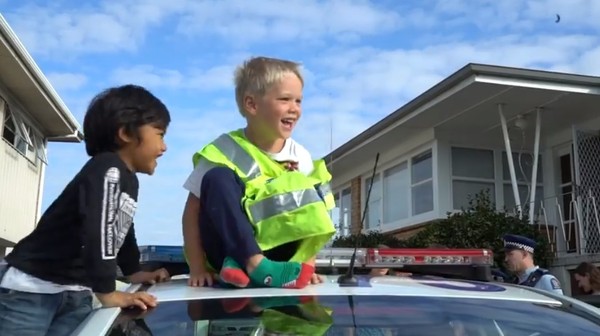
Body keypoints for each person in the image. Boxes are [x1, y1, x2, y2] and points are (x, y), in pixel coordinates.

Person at [0, 84, 172, 335]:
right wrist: (107, 291)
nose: (165, 147)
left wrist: (133, 271)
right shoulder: (107, 169)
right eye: (160, 134)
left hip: (76, 291)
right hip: (31, 289)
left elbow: (122, 227)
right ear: (125, 132)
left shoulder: (128, 179)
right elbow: (99, 229)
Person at [182, 56, 336, 290]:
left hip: (279, 256)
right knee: (217, 178)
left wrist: (307, 264)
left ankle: (255, 266)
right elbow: (192, 214)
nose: (294, 108)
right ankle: (252, 263)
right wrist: (197, 268)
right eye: (285, 99)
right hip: (225, 250)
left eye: (298, 101)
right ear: (251, 105)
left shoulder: (301, 157)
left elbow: (313, 215)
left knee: (309, 188)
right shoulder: (224, 150)